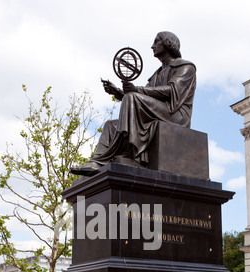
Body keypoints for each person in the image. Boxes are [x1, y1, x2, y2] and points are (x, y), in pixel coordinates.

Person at [71, 31, 196, 176]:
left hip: (175, 115)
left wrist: (135, 90)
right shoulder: (156, 74)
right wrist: (118, 93)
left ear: (168, 43)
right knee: (111, 126)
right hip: (158, 113)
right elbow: (142, 98)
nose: (152, 46)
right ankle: (96, 161)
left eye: (156, 42)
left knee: (132, 97)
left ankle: (124, 156)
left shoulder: (186, 67)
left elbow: (171, 91)